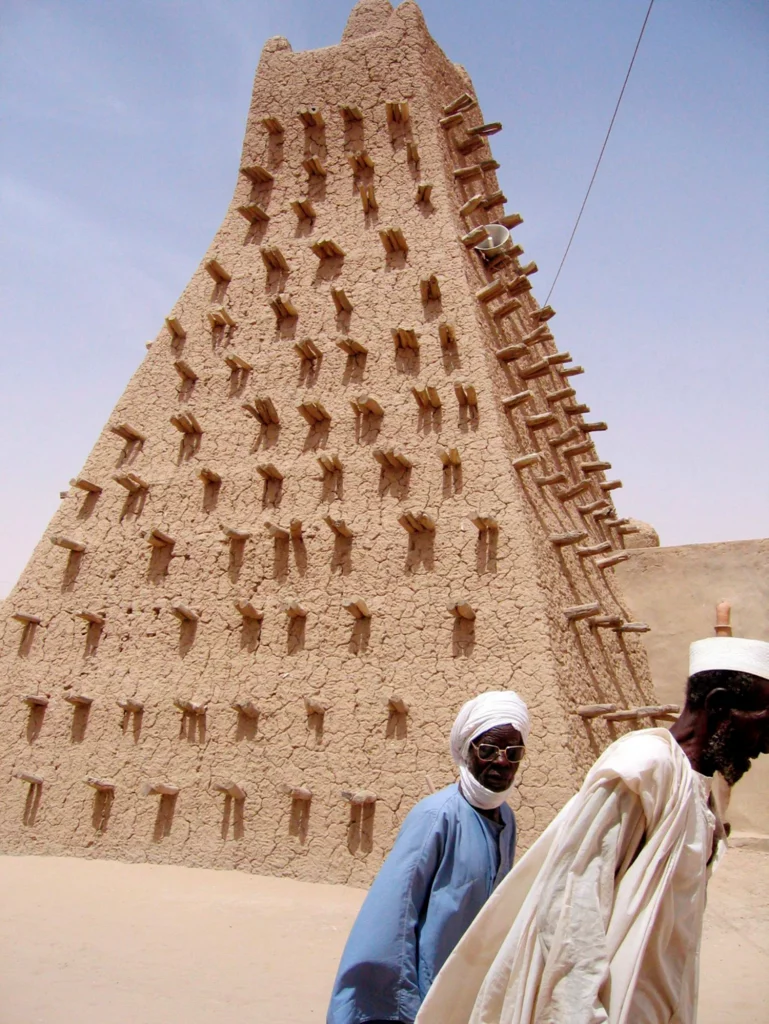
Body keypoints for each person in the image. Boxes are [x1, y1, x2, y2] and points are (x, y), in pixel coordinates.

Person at [415, 635, 769, 1024]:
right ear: (718, 705)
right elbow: (573, 903)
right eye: (762, 722)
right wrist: (578, 1012)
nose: (765, 744)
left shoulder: (701, 791)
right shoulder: (643, 770)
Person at [326, 690, 531, 1024]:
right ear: (468, 752)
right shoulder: (438, 816)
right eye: (489, 750)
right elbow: (393, 916)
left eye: (514, 751)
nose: (503, 762)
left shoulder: (506, 819)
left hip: (474, 996)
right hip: (427, 998)